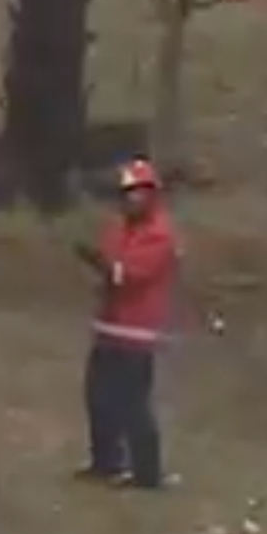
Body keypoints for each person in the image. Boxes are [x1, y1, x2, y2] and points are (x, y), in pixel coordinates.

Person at [73, 157, 179, 490]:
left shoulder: (160, 234)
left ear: (151, 194)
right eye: (126, 193)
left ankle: (148, 473)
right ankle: (106, 463)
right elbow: (110, 264)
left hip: (136, 331)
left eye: (137, 192)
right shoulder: (118, 228)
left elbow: (132, 274)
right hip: (108, 327)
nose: (130, 199)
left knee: (133, 405)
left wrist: (104, 266)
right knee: (98, 397)